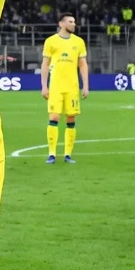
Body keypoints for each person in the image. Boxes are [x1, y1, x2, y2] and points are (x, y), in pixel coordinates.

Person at [40, 13, 88, 165]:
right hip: (56, 86)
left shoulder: (79, 42)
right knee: (54, 117)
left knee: (71, 118)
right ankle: (52, 154)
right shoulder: (51, 41)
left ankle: (68, 154)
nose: (74, 24)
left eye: (74, 21)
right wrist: (44, 86)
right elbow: (45, 64)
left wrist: (86, 85)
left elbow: (82, 65)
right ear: (61, 24)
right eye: (70, 21)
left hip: (72, 87)